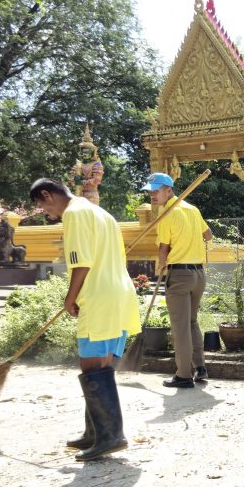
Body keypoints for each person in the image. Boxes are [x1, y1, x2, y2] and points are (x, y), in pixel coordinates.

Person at [30, 178, 140, 461]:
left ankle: (111, 436)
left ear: (47, 195)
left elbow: (81, 263)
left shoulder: (74, 214)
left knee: (91, 365)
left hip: (99, 295)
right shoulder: (99, 212)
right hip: (119, 293)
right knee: (101, 365)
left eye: (42, 206)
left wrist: (70, 298)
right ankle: (96, 433)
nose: (46, 213)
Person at [143, 172, 213, 388]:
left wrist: (160, 266)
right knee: (191, 322)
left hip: (180, 275)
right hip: (198, 274)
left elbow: (163, 249)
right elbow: (208, 235)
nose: (153, 195)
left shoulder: (166, 214)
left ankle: (183, 375)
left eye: (156, 191)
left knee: (180, 327)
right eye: (151, 192)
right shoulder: (192, 209)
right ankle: (200, 368)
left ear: (169, 190)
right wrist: (189, 239)